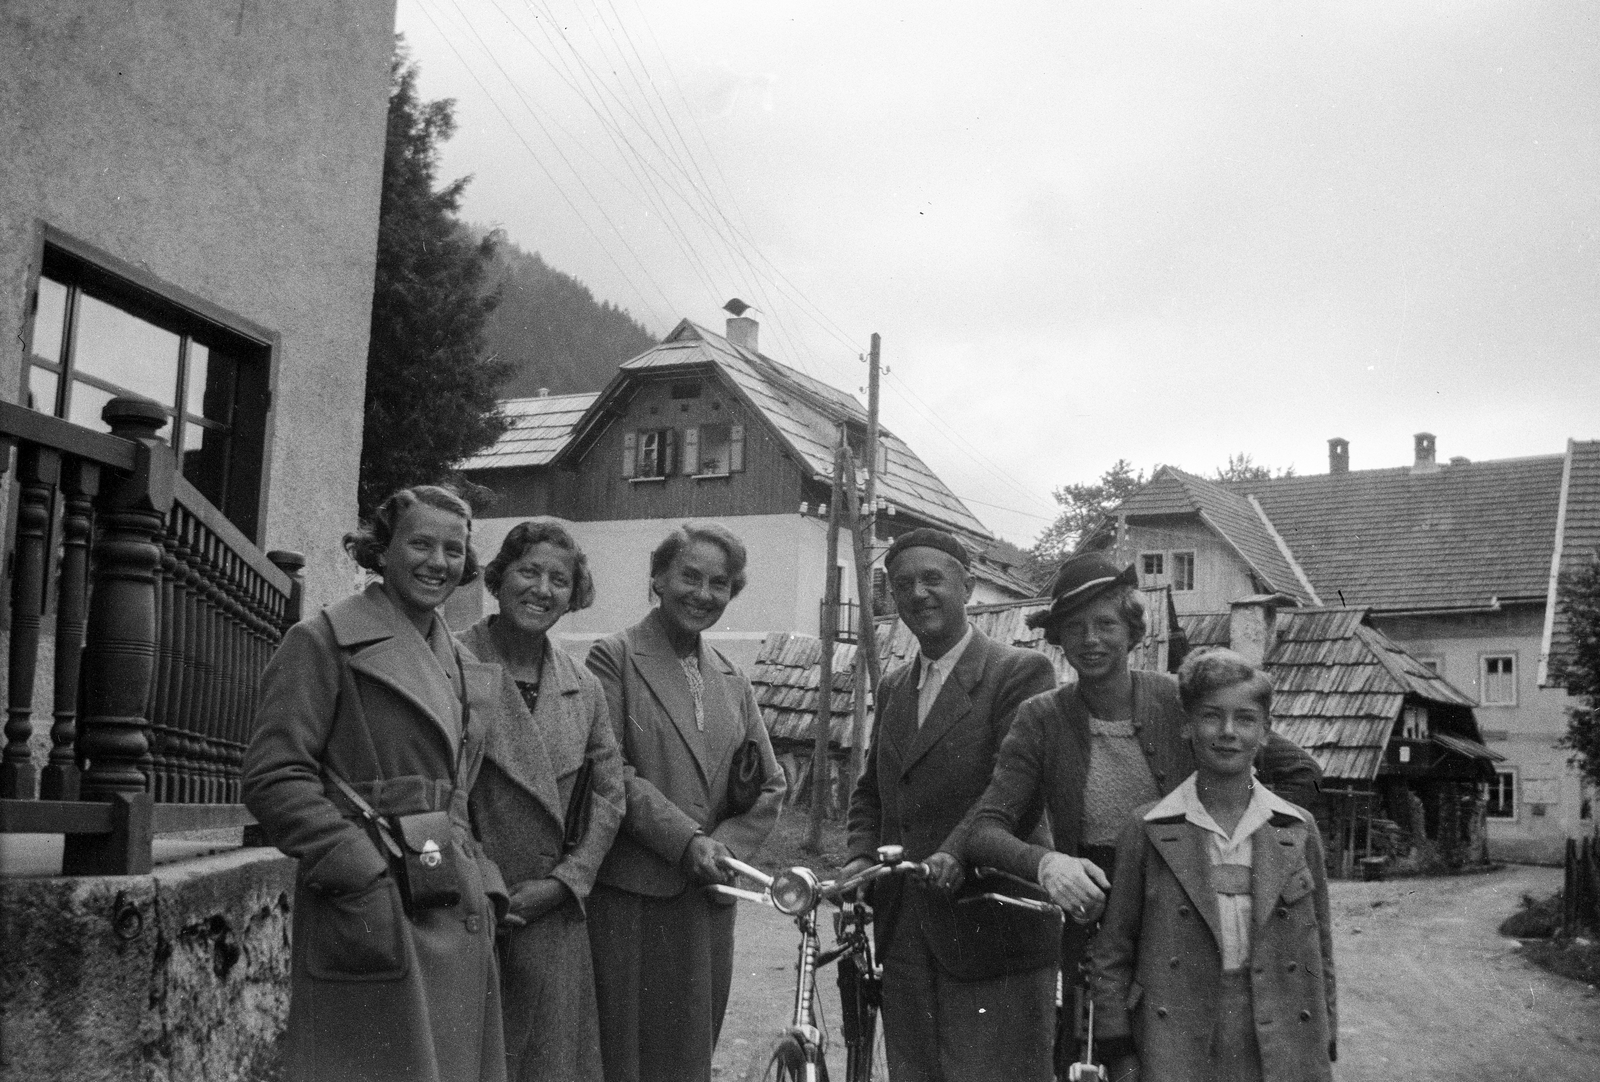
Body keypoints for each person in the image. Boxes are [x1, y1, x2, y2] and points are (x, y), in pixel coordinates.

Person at [965, 551, 1323, 1072]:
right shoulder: (1040, 719)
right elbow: (984, 830)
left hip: (1187, 907)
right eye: (1075, 627)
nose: (1091, 639)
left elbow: (1301, 772)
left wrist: (1238, 838)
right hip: (1093, 916)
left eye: (1106, 623)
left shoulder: (1181, 700)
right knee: (1099, 1058)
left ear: (1133, 631)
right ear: (1058, 638)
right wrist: (1048, 865)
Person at [242, 484, 509, 1082]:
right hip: (370, 898)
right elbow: (273, 776)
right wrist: (360, 873)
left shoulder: (463, 660)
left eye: (453, 549)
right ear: (381, 550)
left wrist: (485, 882)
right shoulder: (322, 641)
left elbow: (458, 793)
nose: (438, 562)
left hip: (449, 894)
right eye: (420, 544)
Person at [842, 527, 1062, 1082]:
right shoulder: (893, 686)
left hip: (992, 924)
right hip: (907, 929)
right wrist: (859, 856)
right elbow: (873, 790)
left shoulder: (1019, 673)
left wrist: (956, 853)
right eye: (902, 584)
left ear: (968, 587)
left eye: (933, 579)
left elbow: (1014, 790)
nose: (918, 594)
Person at [584, 521, 786, 1082]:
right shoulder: (614, 658)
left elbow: (771, 785)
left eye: (719, 584)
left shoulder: (731, 678)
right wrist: (685, 841)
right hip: (633, 896)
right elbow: (610, 769)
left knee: (689, 1059)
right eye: (688, 577)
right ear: (657, 578)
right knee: (624, 1057)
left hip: (707, 898)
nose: (703, 594)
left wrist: (722, 848)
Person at [1088, 648, 1336, 1082]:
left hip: (1277, 1044)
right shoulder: (1147, 829)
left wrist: (1323, 1036)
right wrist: (1118, 1051)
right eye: (1210, 716)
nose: (1227, 732)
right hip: (1175, 1042)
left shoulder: (1296, 829)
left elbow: (1322, 948)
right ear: (1186, 725)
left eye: (1244, 719)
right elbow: (1113, 953)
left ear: (1264, 733)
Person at [462, 519, 626, 1082]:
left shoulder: (585, 687)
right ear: (499, 576)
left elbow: (609, 799)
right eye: (528, 571)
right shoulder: (451, 664)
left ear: (573, 594)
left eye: (559, 578)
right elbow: (435, 787)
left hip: (553, 916)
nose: (542, 589)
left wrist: (564, 883)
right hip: (468, 905)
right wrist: (485, 883)